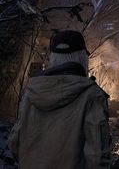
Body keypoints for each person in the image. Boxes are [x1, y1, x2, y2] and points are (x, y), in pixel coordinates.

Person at [8, 30, 112, 169]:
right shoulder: (92, 95)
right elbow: (97, 155)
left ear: (52, 57)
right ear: (82, 57)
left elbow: (15, 142)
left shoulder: (32, 91)